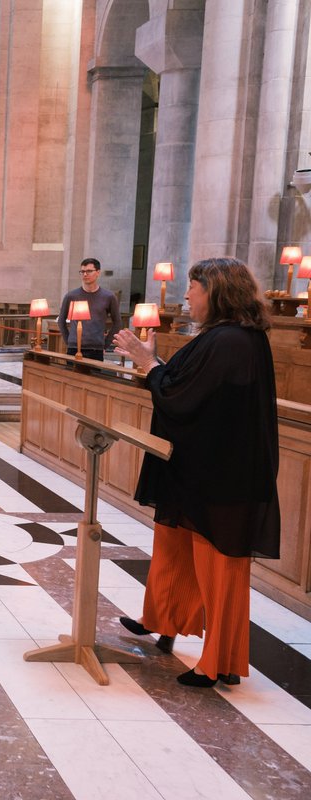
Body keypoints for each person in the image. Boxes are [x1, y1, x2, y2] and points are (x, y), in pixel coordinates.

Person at [112, 257, 279, 688]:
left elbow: (180, 397)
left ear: (217, 292)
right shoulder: (226, 338)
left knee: (220, 568)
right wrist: (152, 361)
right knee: (175, 546)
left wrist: (148, 365)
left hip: (222, 478)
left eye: (194, 288)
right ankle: (163, 618)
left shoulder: (231, 341)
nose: (187, 296)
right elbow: (189, 384)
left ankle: (218, 662)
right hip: (199, 470)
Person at [57, 258, 120, 360]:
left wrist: (105, 344)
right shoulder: (71, 296)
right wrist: (69, 341)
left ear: (98, 272)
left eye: (89, 271)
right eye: (82, 271)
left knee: (94, 376)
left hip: (96, 348)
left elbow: (117, 323)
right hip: (74, 347)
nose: (85, 274)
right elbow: (61, 321)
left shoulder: (108, 296)